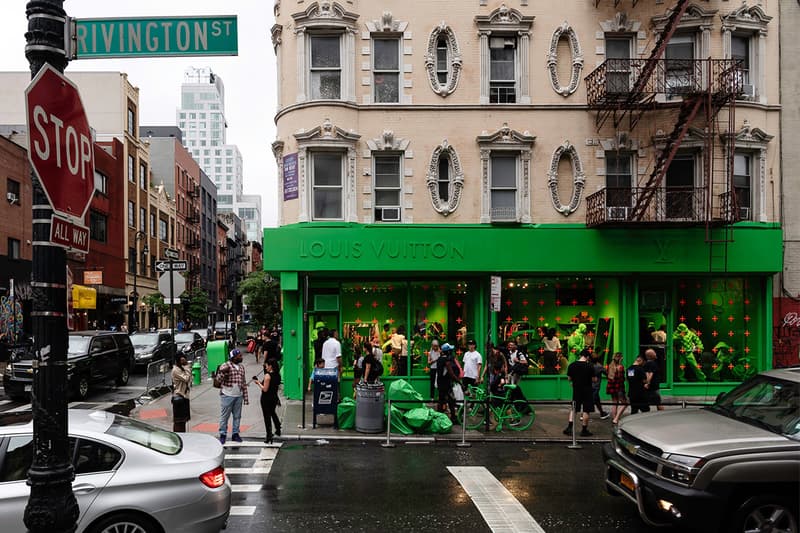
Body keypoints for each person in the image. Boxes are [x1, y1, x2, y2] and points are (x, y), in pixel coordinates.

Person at [216, 348, 249, 444]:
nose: (241, 357)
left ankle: (235, 434)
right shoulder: (226, 365)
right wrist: (223, 373)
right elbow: (218, 379)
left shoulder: (241, 367)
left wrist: (245, 396)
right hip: (227, 395)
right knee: (224, 416)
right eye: (239, 356)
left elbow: (243, 382)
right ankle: (223, 434)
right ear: (233, 357)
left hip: (238, 395)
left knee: (237, 416)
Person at [564, 348, 594, 437]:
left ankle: (569, 428)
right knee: (586, 410)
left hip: (576, 389)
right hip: (587, 390)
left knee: (574, 408)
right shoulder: (590, 366)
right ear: (587, 357)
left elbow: (569, 378)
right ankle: (584, 430)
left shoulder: (572, 365)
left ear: (580, 355)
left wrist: (573, 382)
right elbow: (594, 379)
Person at [254, 358, 282, 444]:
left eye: (266, 366)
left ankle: (269, 435)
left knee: (267, 417)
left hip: (266, 398)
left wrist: (258, 383)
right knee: (273, 412)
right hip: (274, 397)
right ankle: (278, 428)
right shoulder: (278, 375)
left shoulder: (267, 376)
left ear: (270, 366)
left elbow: (265, 389)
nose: (265, 368)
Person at [436, 343, 460, 424]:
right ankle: (453, 417)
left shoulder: (439, 359)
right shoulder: (447, 361)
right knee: (451, 401)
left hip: (440, 382)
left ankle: (439, 418)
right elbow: (451, 373)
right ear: (448, 351)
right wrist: (459, 382)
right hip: (446, 383)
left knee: (441, 400)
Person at [171, 354, 192, 432]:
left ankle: (183, 434)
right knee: (178, 420)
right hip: (179, 396)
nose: (185, 361)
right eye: (182, 360)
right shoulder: (176, 370)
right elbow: (186, 378)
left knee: (183, 420)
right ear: (178, 361)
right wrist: (187, 367)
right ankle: (179, 435)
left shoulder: (181, 368)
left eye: (185, 359)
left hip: (184, 396)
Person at [606, 352, 628, 424]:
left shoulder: (610, 366)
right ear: (620, 358)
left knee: (615, 403)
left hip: (611, 387)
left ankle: (614, 418)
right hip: (619, 387)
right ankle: (616, 418)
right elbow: (621, 379)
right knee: (625, 403)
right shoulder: (620, 367)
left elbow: (608, 377)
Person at [591, 352, 610, 419]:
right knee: (593, 400)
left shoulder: (588, 365)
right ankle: (584, 414)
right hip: (595, 386)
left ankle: (602, 413)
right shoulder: (599, 366)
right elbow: (607, 374)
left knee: (596, 400)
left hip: (588, 385)